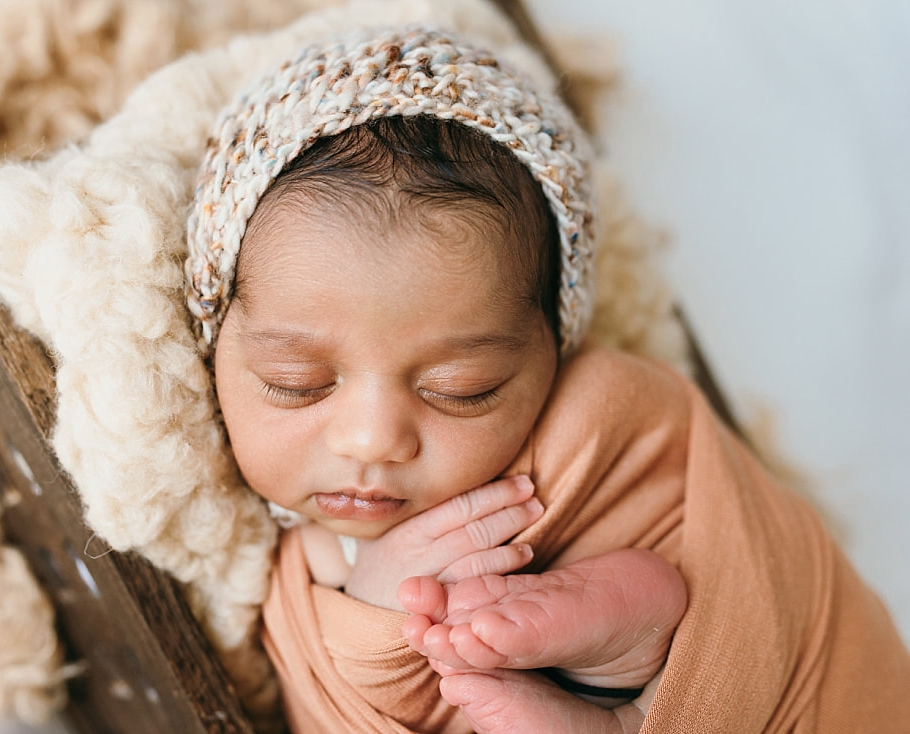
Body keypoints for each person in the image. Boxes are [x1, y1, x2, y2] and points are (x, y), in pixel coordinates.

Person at [184, 26, 910, 733]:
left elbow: (717, 523)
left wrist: (405, 620)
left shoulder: (591, 425)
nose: (373, 438)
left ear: (552, 347)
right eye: (296, 381)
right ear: (217, 342)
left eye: (461, 387)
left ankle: (625, 639)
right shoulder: (276, 570)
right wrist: (375, 606)